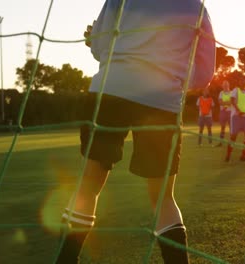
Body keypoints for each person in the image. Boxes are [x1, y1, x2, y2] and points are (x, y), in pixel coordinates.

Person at [55, 1, 215, 264]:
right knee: (162, 198)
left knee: (87, 187)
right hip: (162, 100)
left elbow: (100, 47)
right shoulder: (197, 8)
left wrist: (100, 45)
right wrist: (171, 75)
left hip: (111, 91)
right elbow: (204, 73)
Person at [225, 76, 245, 162]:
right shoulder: (235, 90)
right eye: (241, 81)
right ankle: (228, 155)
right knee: (233, 136)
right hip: (236, 116)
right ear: (239, 82)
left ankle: (243, 156)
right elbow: (232, 100)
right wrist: (238, 110)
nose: (243, 82)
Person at [215, 80, 232, 147]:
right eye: (224, 85)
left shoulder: (231, 93)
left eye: (226, 85)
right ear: (222, 86)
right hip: (223, 112)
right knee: (222, 127)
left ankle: (231, 143)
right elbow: (220, 102)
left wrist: (224, 104)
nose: (225, 86)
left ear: (228, 85)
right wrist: (227, 103)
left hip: (230, 112)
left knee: (231, 128)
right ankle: (221, 142)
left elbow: (232, 102)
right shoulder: (221, 93)